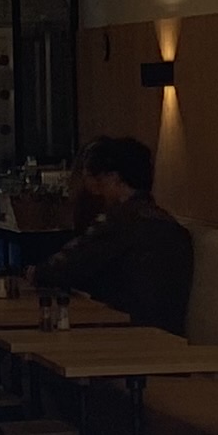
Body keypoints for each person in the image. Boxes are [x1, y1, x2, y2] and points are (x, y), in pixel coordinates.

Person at [30, 134, 194, 330]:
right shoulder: (169, 225)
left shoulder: (120, 222)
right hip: (169, 333)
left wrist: (36, 273)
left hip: (127, 329)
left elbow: (69, 265)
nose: (98, 189)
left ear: (115, 179)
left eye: (102, 180)